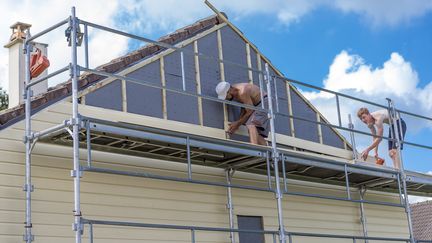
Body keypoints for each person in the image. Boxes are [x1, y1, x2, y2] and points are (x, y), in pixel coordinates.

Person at [215, 81, 269, 146]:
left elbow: (250, 110)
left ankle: (254, 148)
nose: (226, 99)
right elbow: (244, 107)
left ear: (229, 91)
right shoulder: (236, 92)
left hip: (264, 102)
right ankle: (267, 151)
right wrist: (239, 122)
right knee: (255, 133)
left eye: (226, 96)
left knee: (251, 125)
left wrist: (237, 123)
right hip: (256, 105)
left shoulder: (242, 92)